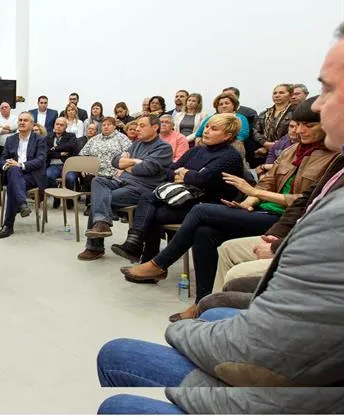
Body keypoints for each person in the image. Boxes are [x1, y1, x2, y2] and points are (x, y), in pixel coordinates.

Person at [96, 24, 344, 414]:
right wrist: (251, 198)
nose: (313, 107)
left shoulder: (233, 155)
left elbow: (204, 179)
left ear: (229, 131)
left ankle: (160, 267)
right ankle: (172, 277)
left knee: (194, 213)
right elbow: (185, 170)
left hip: (286, 387)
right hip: (257, 216)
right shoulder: (317, 160)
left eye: (327, 90)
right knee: (185, 220)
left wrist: (183, 333)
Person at [124, 96, 338, 321]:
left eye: (309, 125)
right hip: (258, 210)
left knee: (200, 211)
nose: (300, 131)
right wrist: (246, 202)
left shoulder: (333, 158)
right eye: (297, 125)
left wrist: (254, 193)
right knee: (203, 232)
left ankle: (159, 263)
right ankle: (202, 304)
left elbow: (306, 201)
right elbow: (266, 182)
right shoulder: (292, 151)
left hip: (281, 218)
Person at [112, 113, 244, 264]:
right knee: (148, 197)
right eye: (207, 126)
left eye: (214, 129)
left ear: (227, 135)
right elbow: (169, 171)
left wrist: (186, 174)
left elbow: (202, 180)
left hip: (206, 204)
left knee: (152, 213)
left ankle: (146, 258)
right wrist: (189, 175)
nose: (207, 131)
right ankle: (137, 246)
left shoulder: (230, 156)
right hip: (182, 197)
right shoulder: (197, 150)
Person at [79, 115, 173, 261]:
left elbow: (147, 169)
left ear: (155, 128)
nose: (137, 128)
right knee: (98, 181)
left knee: (99, 200)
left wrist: (128, 164)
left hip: (141, 188)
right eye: (137, 125)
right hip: (122, 181)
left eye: (142, 126)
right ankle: (101, 224)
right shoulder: (137, 144)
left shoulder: (164, 148)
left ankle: (94, 245)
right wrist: (135, 162)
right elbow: (115, 161)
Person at [0, 112, 47, 239]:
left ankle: (8, 226)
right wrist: (5, 165)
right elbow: (3, 159)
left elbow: (40, 160)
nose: (22, 122)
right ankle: (22, 204)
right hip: (14, 173)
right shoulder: (10, 139)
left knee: (13, 183)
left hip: (32, 175)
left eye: (25, 120)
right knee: (13, 171)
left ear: (32, 124)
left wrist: (20, 165)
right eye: (20, 120)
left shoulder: (39, 139)